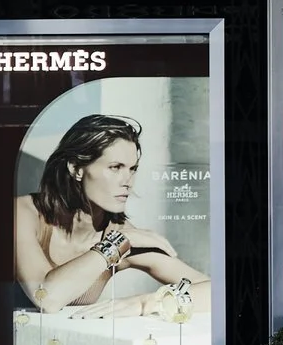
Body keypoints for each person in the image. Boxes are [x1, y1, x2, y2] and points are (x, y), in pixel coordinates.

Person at [12, 113, 195, 313]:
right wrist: (116, 243)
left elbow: (212, 290)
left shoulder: (123, 235)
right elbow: (46, 298)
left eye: (132, 169)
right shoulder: (23, 213)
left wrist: (147, 302)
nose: (128, 181)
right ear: (76, 168)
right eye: (115, 167)